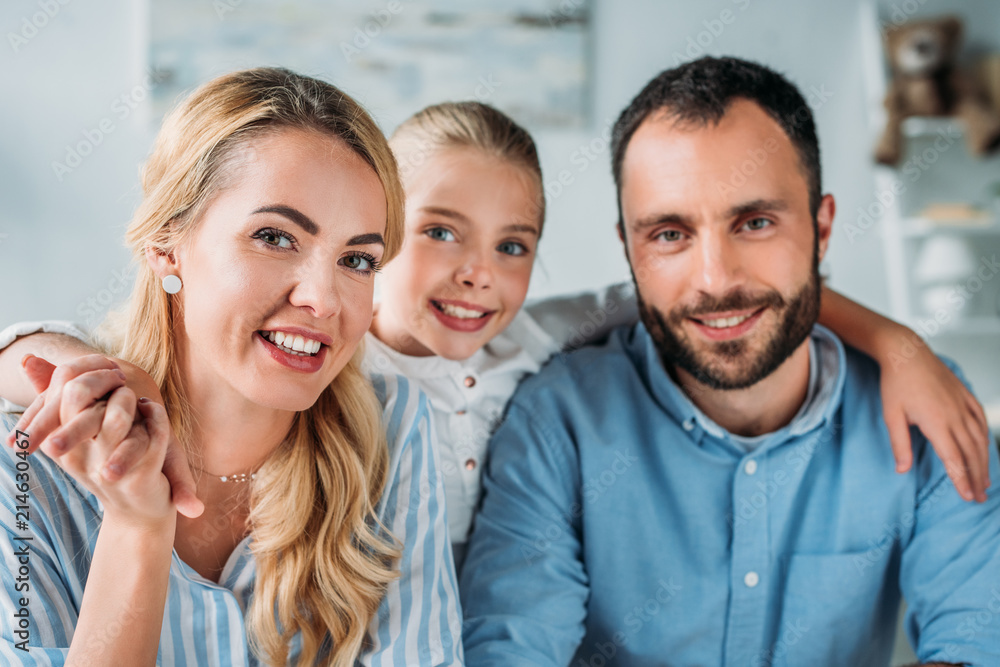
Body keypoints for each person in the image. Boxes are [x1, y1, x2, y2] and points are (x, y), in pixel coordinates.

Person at [2, 102, 992, 577]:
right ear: (377, 239)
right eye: (437, 233)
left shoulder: (529, 337)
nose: (480, 272)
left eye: (513, 245)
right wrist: (33, 348)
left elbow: (695, 290)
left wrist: (894, 340)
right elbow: (107, 340)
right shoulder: (325, 348)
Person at [458, 57, 1000, 666]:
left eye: (755, 222)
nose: (715, 281)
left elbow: (975, 643)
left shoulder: (926, 412)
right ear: (629, 249)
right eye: (669, 234)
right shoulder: (559, 422)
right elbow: (510, 651)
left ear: (822, 230)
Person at [0, 67, 462, 666]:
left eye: (356, 259)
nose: (324, 299)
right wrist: (137, 529)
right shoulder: (24, 467)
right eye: (274, 237)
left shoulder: (390, 425)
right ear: (166, 244)